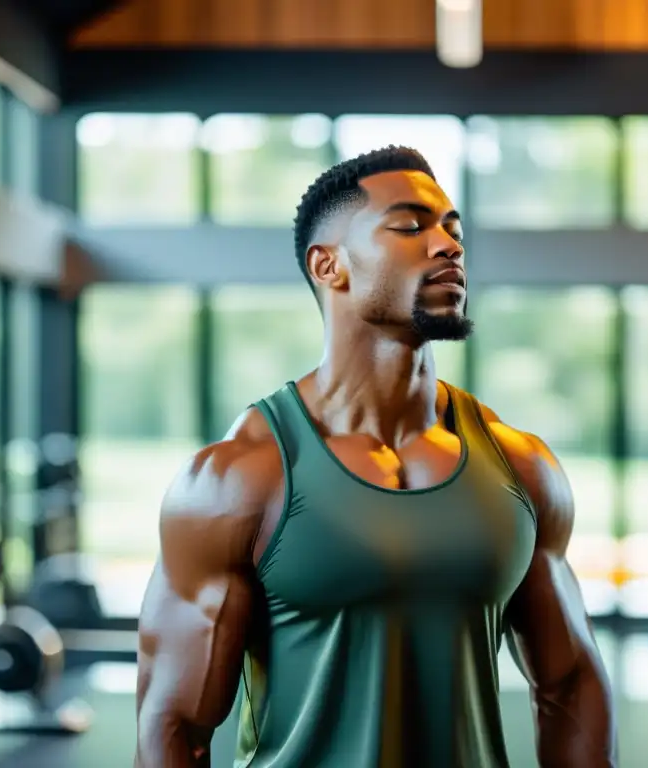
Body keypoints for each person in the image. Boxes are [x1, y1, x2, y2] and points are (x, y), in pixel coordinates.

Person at [133, 146, 616, 768]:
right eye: (411, 227)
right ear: (329, 264)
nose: (448, 246)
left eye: (452, 228)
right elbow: (173, 726)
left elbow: (571, 683)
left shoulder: (521, 467)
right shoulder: (239, 478)